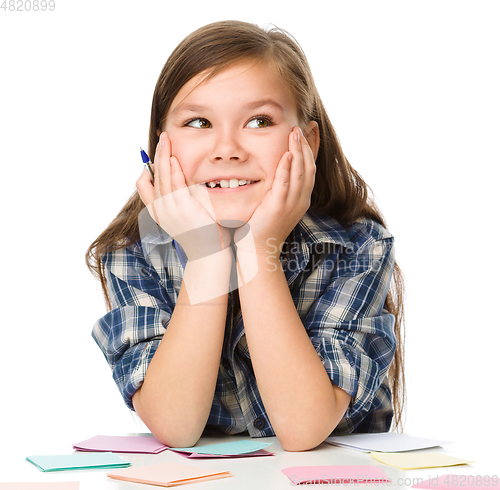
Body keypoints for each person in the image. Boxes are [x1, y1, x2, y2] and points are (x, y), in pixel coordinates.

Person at [86, 20, 405, 452]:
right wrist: (206, 256)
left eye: (259, 121)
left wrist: (257, 250)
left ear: (307, 142)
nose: (227, 149)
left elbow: (303, 428)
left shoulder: (357, 248)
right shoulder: (133, 253)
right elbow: (175, 426)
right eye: (198, 122)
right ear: (160, 146)